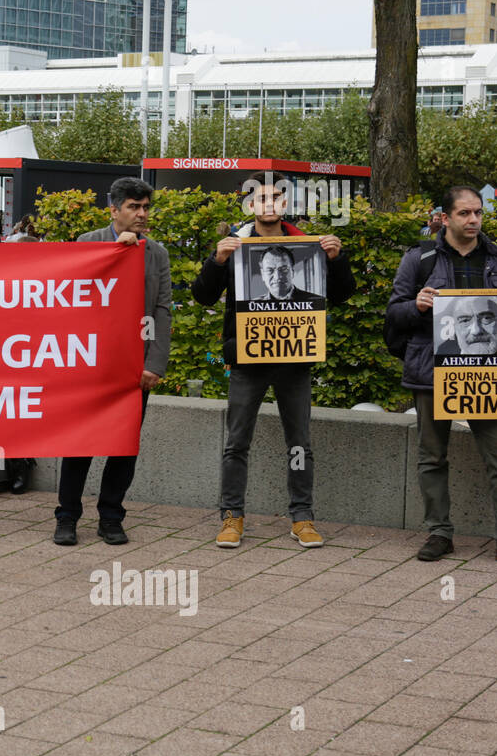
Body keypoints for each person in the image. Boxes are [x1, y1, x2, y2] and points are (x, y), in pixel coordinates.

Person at [192, 171, 355, 550]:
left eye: (277, 197)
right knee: (236, 442)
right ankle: (231, 516)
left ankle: (302, 517)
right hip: (247, 361)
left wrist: (336, 259)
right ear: (249, 205)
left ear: (287, 203)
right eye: (260, 198)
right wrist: (217, 261)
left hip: (295, 360)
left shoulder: (307, 245)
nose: (269, 204)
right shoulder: (235, 244)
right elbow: (202, 296)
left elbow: (343, 294)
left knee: (300, 443)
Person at [54, 177, 172, 547]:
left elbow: (162, 310)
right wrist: (116, 254)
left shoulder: (158, 252)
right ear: (114, 210)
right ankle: (67, 517)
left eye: (145, 207)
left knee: (123, 446)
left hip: (134, 368)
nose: (142, 214)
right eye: (134, 207)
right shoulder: (87, 244)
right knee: (79, 444)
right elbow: (69, 297)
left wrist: (155, 364)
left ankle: (111, 517)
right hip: (91, 364)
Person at [386, 185, 497, 561]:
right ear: (446, 217)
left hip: (486, 373)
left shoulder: (496, 257)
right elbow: (393, 313)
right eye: (465, 213)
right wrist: (416, 305)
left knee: (496, 456)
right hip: (433, 369)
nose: (473, 220)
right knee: (432, 456)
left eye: (478, 213)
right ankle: (439, 533)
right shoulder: (420, 259)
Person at [254, 245, 322, 305]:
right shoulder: (253, 305)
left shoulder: (315, 301)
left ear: (292, 272)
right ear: (263, 274)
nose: (277, 277)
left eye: (283, 269)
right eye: (270, 270)